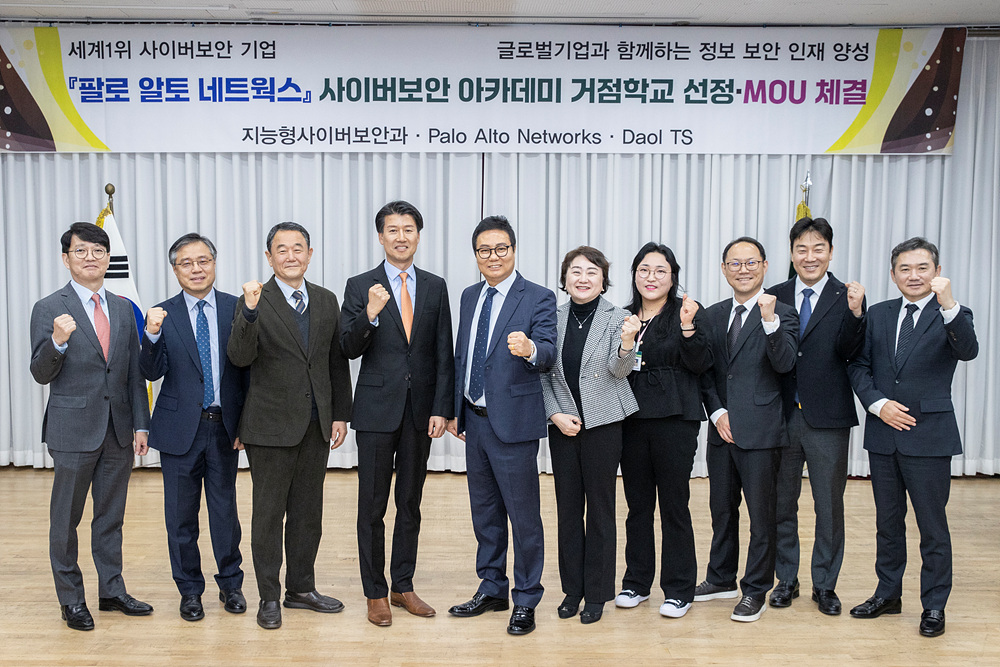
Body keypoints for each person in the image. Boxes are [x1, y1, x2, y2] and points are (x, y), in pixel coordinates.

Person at [847, 237, 977, 638]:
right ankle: (888, 594)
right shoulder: (879, 314)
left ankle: (934, 604)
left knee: (932, 527)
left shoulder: (954, 313)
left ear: (937, 272)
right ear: (893, 275)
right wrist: (877, 404)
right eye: (905, 269)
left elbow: (968, 350)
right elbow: (858, 366)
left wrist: (948, 304)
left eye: (923, 268)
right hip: (883, 435)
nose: (914, 275)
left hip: (930, 437)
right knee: (887, 524)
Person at [227, 222, 353, 630]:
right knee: (268, 516)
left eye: (298, 248)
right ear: (269, 258)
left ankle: (301, 588)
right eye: (281, 249)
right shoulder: (253, 300)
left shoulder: (326, 299)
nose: (291, 255)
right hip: (269, 428)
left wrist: (340, 413)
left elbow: (335, 361)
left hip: (316, 425)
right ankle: (268, 596)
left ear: (310, 254)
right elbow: (240, 357)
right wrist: (249, 312)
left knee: (307, 514)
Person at [29, 222, 152, 631]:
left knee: (111, 517)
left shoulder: (121, 307)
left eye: (98, 251)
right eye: (81, 251)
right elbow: (40, 373)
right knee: (66, 520)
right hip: (72, 430)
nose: (90, 258)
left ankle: (112, 590)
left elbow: (132, 372)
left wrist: (140, 424)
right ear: (66, 259)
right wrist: (57, 342)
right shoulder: (49, 307)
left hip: (118, 430)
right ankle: (71, 599)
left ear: (108, 258)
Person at [340, 201, 455, 627]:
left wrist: (442, 407)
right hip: (375, 411)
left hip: (419, 412)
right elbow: (347, 347)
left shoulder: (435, 286)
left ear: (418, 236)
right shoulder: (360, 285)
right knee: (371, 506)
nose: (401, 236)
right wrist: (369, 313)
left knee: (410, 502)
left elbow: (443, 351)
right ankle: (375, 592)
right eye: (393, 229)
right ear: (380, 236)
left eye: (408, 229)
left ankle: (402, 584)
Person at [446, 215, 557, 636]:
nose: (493, 257)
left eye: (500, 249)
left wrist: (530, 349)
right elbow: (463, 355)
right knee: (486, 514)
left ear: (513, 250)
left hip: (514, 425)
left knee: (523, 518)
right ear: (476, 255)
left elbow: (548, 351)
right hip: (475, 422)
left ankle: (526, 598)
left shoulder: (538, 297)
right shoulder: (470, 296)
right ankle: (492, 588)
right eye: (484, 250)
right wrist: (456, 409)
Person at [139, 233, 248, 622]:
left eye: (203, 261)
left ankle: (231, 584)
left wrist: (246, 424)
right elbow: (151, 371)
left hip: (225, 427)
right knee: (180, 516)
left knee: (225, 512)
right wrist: (151, 334)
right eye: (186, 263)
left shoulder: (237, 308)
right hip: (179, 430)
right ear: (175, 270)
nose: (196, 269)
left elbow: (249, 369)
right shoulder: (162, 314)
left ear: (214, 264)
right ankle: (189, 590)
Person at [765, 217, 866, 615]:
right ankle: (785, 579)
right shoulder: (774, 295)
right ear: (792, 254)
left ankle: (825, 584)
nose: (810, 256)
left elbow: (852, 352)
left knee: (829, 506)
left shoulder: (848, 296)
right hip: (782, 416)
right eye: (802, 249)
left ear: (831, 252)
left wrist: (856, 315)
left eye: (818, 248)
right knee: (781, 504)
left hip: (829, 419)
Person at [697, 236, 798, 622]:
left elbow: (785, 364)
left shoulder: (783, 313)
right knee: (721, 510)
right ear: (724, 269)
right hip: (721, 430)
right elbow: (705, 372)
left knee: (761, 516)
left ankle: (755, 589)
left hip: (762, 430)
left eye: (751, 262)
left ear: (765, 266)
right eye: (735, 263)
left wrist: (770, 323)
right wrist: (717, 412)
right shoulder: (713, 314)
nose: (743, 270)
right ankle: (720, 578)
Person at [539, 246, 639, 625]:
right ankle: (572, 590)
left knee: (599, 509)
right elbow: (542, 371)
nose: (583, 278)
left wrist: (628, 343)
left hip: (604, 423)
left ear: (603, 280)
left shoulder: (620, 318)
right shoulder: (551, 317)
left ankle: (597, 593)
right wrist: (554, 414)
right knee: (567, 509)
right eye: (576, 271)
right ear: (564, 279)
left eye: (592, 272)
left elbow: (619, 371)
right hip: (562, 423)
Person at [614, 243, 713, 619]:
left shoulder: (687, 313)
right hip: (631, 420)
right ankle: (637, 582)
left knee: (674, 505)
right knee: (637, 506)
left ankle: (679, 589)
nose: (651, 277)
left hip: (675, 419)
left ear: (673, 277)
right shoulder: (622, 316)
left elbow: (701, 364)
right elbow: (614, 369)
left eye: (660, 271)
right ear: (634, 275)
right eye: (644, 270)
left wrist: (688, 327)